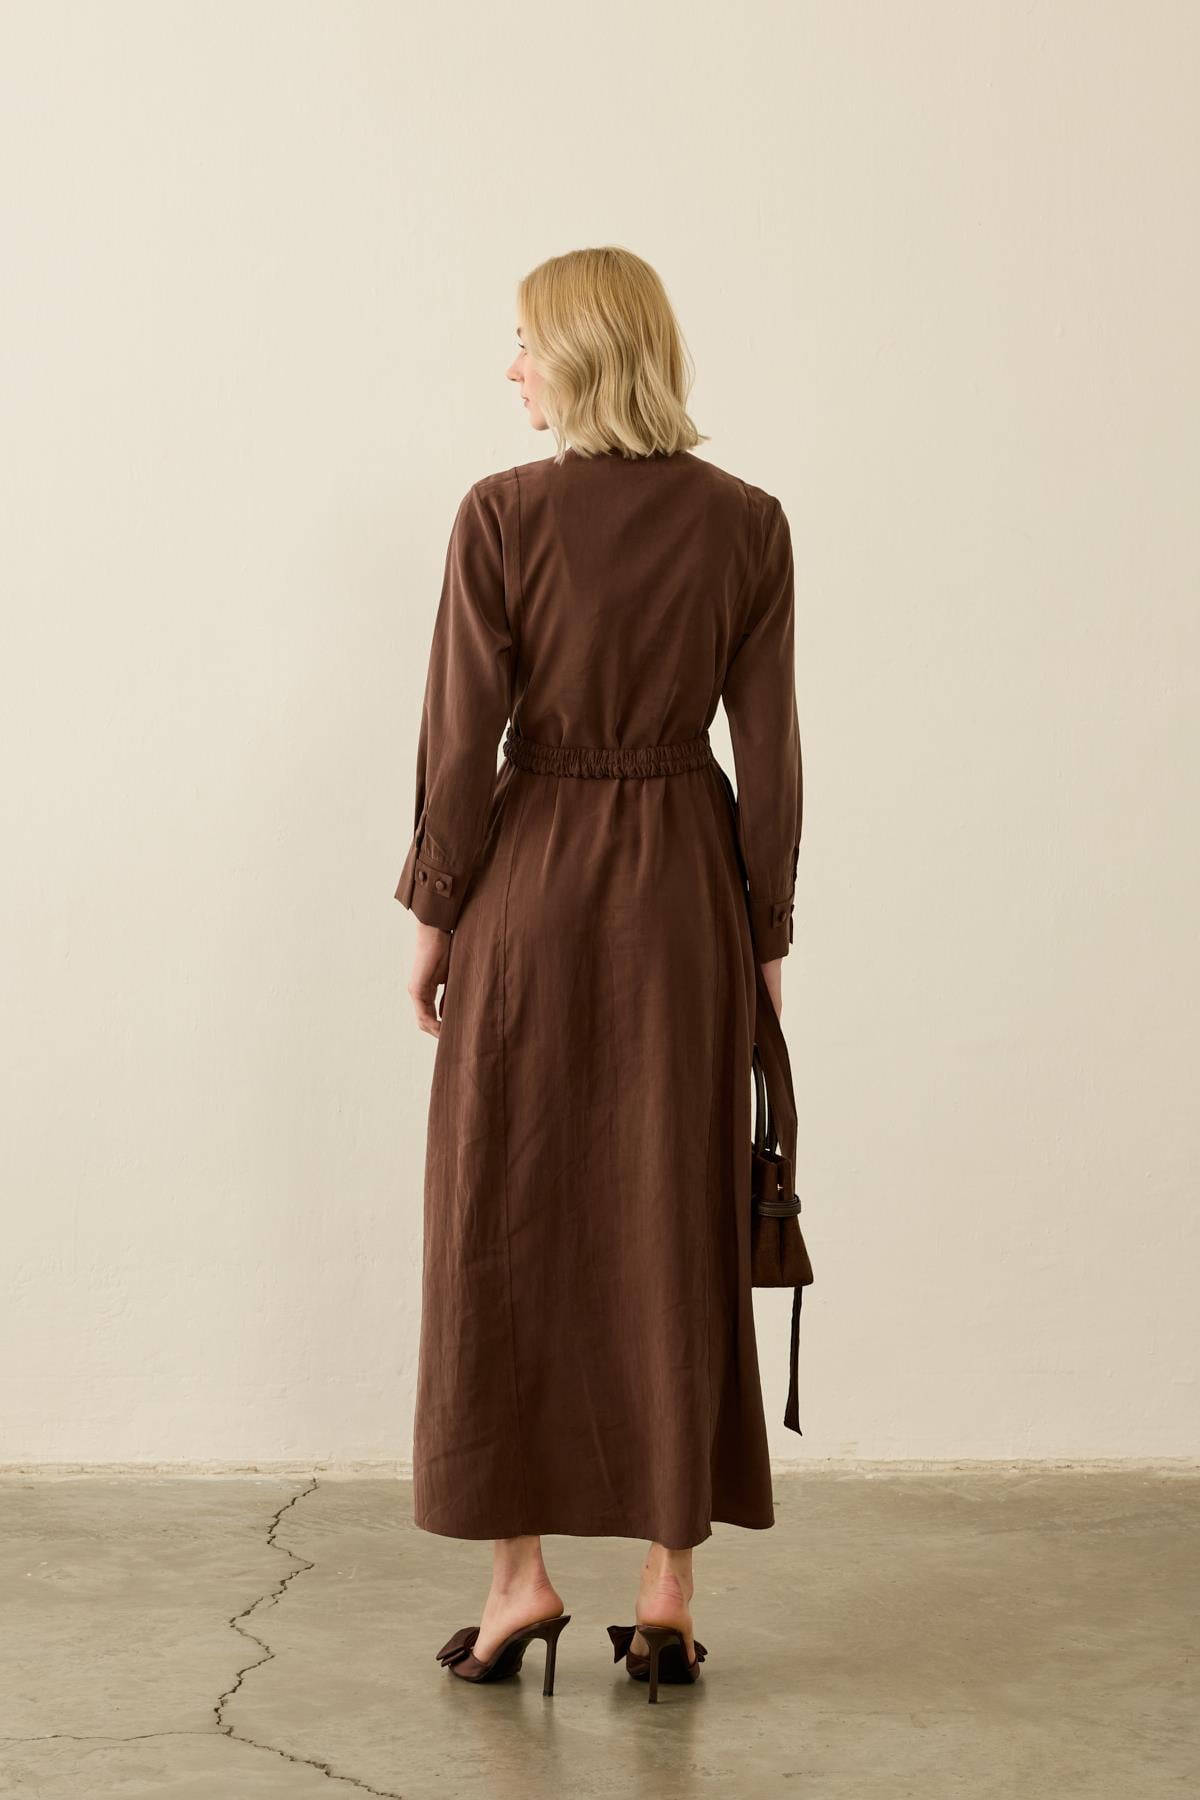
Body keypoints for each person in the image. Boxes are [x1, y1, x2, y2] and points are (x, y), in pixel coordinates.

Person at [394, 245, 803, 1700]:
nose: (510, 366)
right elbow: (772, 753)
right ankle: (667, 1592)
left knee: (499, 1217)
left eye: (524, 340)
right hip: (685, 895)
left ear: (579, 353)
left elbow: (461, 739)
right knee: (670, 1213)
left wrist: (436, 914)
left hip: (535, 890)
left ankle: (519, 1581)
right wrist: (763, 939)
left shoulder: (502, 516)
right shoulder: (748, 523)